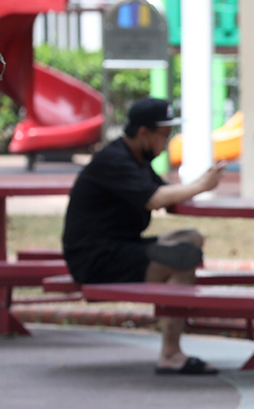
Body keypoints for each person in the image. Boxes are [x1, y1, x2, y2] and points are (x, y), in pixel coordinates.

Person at [62, 98, 226, 375]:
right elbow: (154, 199)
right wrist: (201, 185)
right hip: (96, 258)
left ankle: (171, 339)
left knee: (191, 237)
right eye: (164, 135)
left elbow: (164, 193)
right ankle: (171, 354)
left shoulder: (137, 160)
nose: (167, 142)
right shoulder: (115, 160)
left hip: (121, 248)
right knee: (182, 258)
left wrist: (198, 184)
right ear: (143, 133)